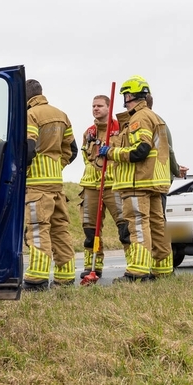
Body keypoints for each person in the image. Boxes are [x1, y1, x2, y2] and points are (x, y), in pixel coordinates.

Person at [98, 76, 172, 281]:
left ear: (130, 95)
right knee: (158, 225)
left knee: (138, 224)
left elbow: (140, 150)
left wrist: (111, 152)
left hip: (136, 181)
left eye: (126, 96)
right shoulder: (155, 116)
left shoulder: (139, 118)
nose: (125, 99)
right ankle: (163, 268)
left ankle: (137, 272)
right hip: (153, 181)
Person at [23, 79, 77, 289]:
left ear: (26, 97)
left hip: (36, 184)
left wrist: (23, 170)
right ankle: (66, 276)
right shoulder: (61, 114)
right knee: (60, 229)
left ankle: (37, 278)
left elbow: (29, 147)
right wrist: (56, 165)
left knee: (37, 230)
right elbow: (71, 150)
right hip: (56, 184)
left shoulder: (31, 115)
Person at [78, 94, 125, 281]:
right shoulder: (89, 132)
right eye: (93, 106)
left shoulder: (118, 129)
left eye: (99, 106)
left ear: (109, 107)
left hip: (113, 184)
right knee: (90, 229)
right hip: (91, 185)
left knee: (125, 227)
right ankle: (93, 266)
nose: (95, 109)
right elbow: (84, 157)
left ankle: (133, 265)